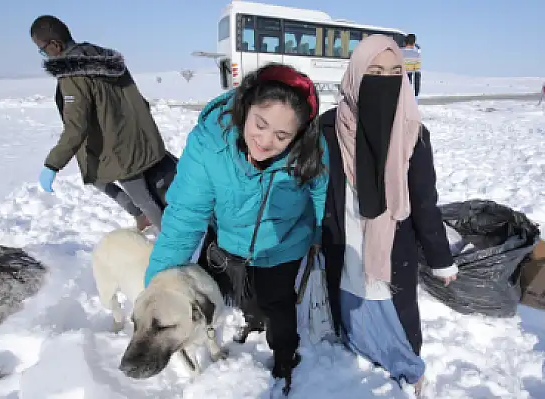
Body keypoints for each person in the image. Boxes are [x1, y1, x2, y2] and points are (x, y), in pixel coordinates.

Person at [144, 63, 328, 385]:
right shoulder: (210, 143)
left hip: (284, 245)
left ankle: (286, 356)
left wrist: (317, 234)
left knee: (278, 304)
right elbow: (184, 217)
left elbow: (320, 195)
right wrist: (157, 288)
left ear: (298, 135)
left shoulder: (311, 150)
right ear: (246, 106)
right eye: (260, 124)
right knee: (238, 295)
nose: (266, 141)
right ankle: (251, 320)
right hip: (228, 242)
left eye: (282, 135)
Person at [318, 34, 457, 396]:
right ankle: (356, 342)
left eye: (395, 71)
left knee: (389, 301)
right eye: (374, 70)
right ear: (356, 74)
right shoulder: (328, 128)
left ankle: (405, 363)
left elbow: (425, 203)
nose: (385, 79)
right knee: (349, 293)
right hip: (344, 234)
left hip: (393, 243)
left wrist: (441, 259)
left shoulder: (413, 132)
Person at [30, 15, 175, 231]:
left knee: (143, 198)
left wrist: (52, 164)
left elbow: (76, 127)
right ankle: (140, 216)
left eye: (42, 49)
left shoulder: (72, 76)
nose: (43, 55)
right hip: (132, 137)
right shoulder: (104, 59)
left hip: (119, 148)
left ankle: (173, 246)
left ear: (55, 45)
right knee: (96, 176)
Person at [401, 33, 422, 99]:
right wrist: (416, 94)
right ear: (414, 43)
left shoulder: (398, 51)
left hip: (396, 83)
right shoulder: (416, 55)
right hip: (407, 84)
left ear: (405, 42)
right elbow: (417, 75)